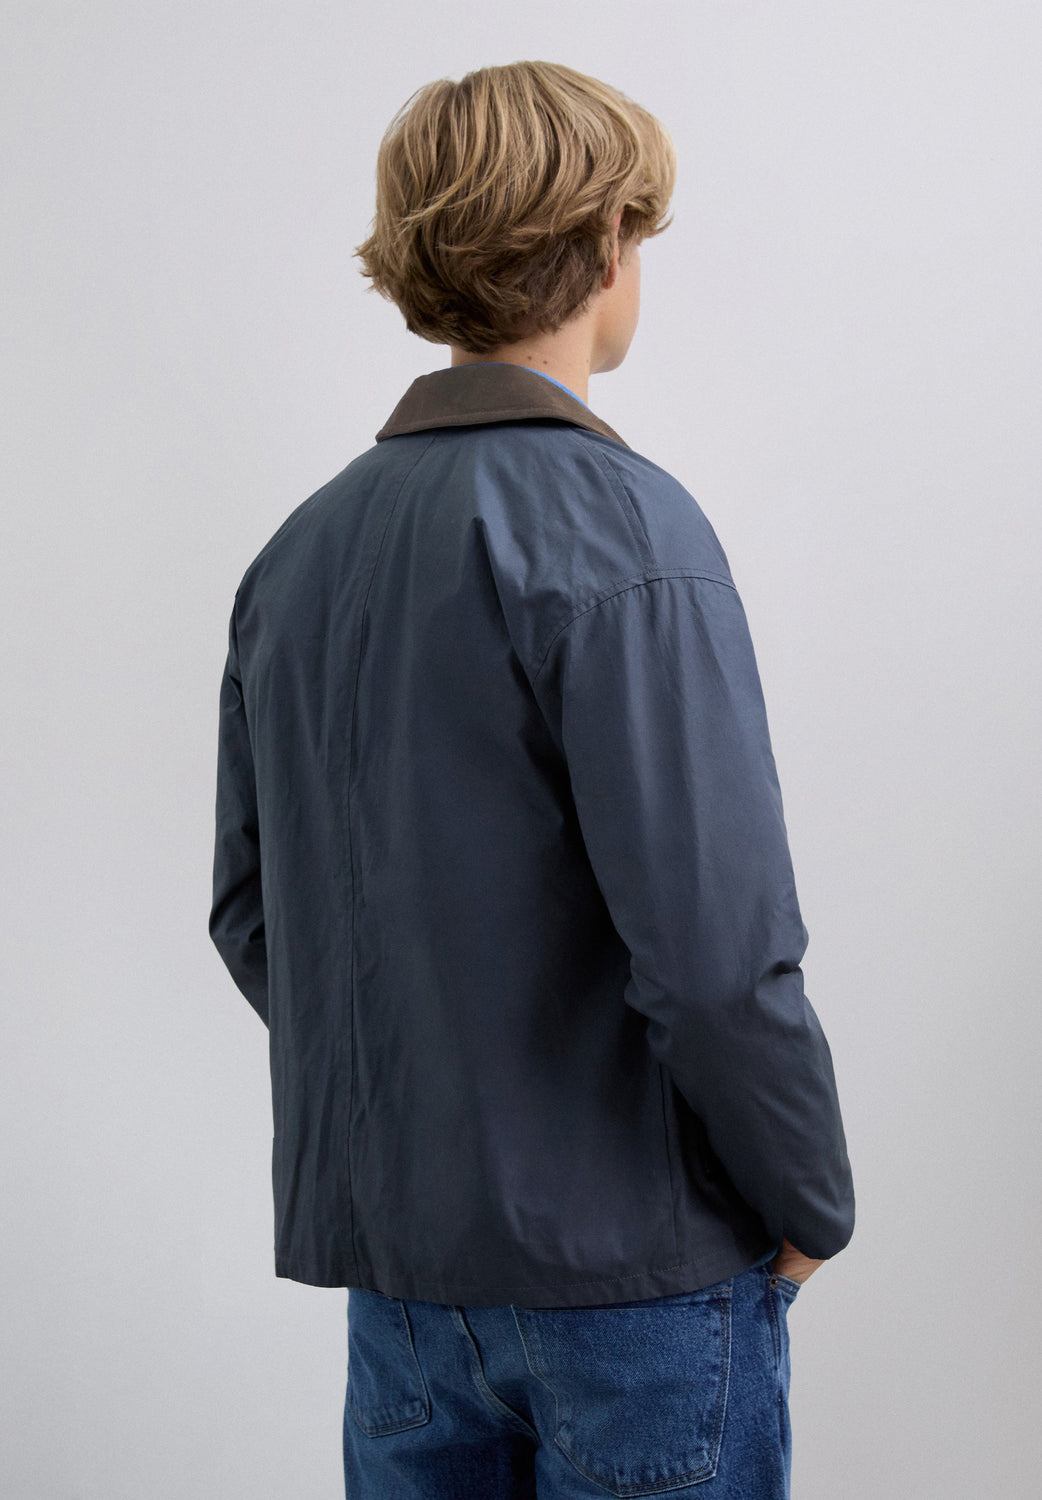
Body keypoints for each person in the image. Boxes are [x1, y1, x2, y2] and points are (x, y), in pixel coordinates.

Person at [208, 59, 855, 1500]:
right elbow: (714, 958)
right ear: (608, 242)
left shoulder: (297, 558)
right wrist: (809, 1198)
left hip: (403, 1296)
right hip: (639, 1293)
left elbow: (257, 918)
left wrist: (439, 1109)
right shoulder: (628, 532)